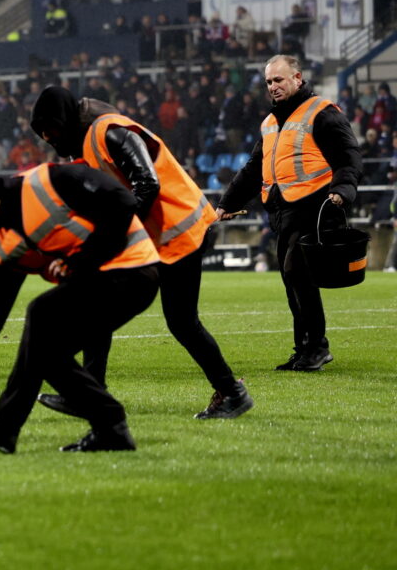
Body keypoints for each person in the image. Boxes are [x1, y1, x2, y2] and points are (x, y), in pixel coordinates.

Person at [31, 85, 253, 418]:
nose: (51, 141)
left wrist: (114, 231)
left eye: (52, 133)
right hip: (162, 235)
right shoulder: (92, 138)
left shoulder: (110, 131)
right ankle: (90, 392)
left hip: (179, 232)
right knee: (105, 307)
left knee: (180, 321)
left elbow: (147, 185)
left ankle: (232, 392)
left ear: (63, 121)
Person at [0, 163, 160, 453]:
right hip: (100, 281)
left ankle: (6, 424)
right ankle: (107, 429)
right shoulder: (0, 237)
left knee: (41, 314)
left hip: (134, 271)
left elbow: (122, 201)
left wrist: (80, 260)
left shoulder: (49, 182)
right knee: (45, 352)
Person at [219, 55, 362, 371]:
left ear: (298, 78)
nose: (273, 87)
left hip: (316, 206)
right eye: (269, 82)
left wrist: (343, 190)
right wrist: (227, 203)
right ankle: (306, 348)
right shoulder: (270, 123)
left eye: (279, 80)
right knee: (291, 277)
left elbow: (348, 155)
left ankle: (316, 347)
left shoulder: (321, 112)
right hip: (284, 210)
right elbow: (254, 168)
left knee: (296, 271)